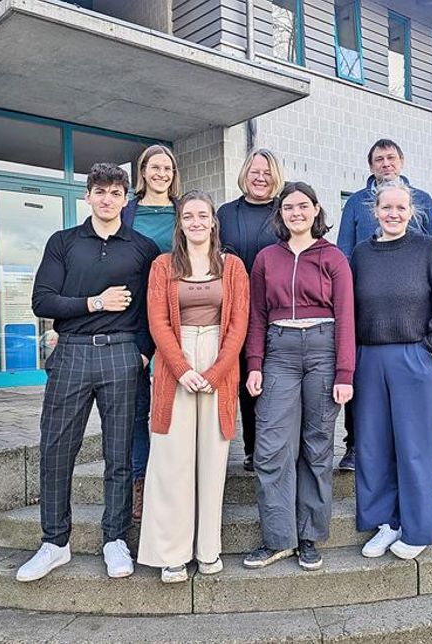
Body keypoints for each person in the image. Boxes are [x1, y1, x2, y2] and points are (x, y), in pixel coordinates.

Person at [17, 163, 159, 582]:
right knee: (57, 450)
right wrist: (95, 303)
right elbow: (43, 301)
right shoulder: (63, 243)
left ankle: (115, 539)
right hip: (73, 353)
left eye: (116, 192)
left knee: (119, 454)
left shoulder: (142, 247)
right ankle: (54, 542)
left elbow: (155, 307)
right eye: (100, 191)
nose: (107, 199)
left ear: (125, 198)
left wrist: (144, 353)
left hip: (122, 355)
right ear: (88, 196)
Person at [137, 191, 249, 583]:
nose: (197, 222)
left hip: (219, 359)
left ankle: (207, 550)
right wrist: (181, 369)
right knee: (172, 459)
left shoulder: (232, 266)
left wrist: (217, 372)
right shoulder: (162, 265)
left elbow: (239, 325)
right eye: (189, 216)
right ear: (180, 223)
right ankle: (172, 553)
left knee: (212, 460)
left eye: (203, 215)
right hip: (175, 363)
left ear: (214, 222)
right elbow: (157, 321)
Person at [243, 182, 355, 571]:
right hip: (280, 352)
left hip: (324, 350)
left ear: (316, 210)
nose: (296, 213)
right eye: (288, 207)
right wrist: (254, 364)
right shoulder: (265, 259)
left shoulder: (333, 257)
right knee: (271, 447)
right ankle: (277, 538)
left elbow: (346, 317)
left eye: (303, 206)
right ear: (281, 214)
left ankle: (308, 535)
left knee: (317, 446)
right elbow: (256, 315)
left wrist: (345, 372)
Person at [351, 181, 432, 561]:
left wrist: (431, 350)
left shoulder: (429, 250)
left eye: (400, 208)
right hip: (370, 359)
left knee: (415, 447)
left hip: (415, 357)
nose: (393, 214)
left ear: (412, 211)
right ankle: (386, 523)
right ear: (374, 211)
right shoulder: (361, 254)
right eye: (386, 208)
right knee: (373, 445)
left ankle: (419, 527)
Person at [335, 139, 432, 471]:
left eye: (391, 158)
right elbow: (343, 251)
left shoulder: (422, 200)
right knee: (363, 388)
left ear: (402, 161)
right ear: (370, 166)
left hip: (411, 319)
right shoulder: (356, 203)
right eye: (379, 159)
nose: (386, 164)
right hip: (369, 314)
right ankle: (354, 445)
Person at [120, 144, 182, 524]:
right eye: (154, 167)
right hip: (130, 318)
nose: (161, 173)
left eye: (168, 168)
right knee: (135, 407)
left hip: (175, 320)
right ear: (142, 171)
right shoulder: (128, 212)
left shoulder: (181, 212)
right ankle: (140, 484)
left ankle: (171, 482)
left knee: (172, 407)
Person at [218, 149, 286, 472]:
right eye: (255, 171)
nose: (261, 178)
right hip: (234, 308)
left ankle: (275, 444)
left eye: (267, 172)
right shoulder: (226, 213)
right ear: (245, 173)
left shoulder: (285, 210)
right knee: (246, 376)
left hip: (277, 308)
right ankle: (251, 447)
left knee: (274, 377)